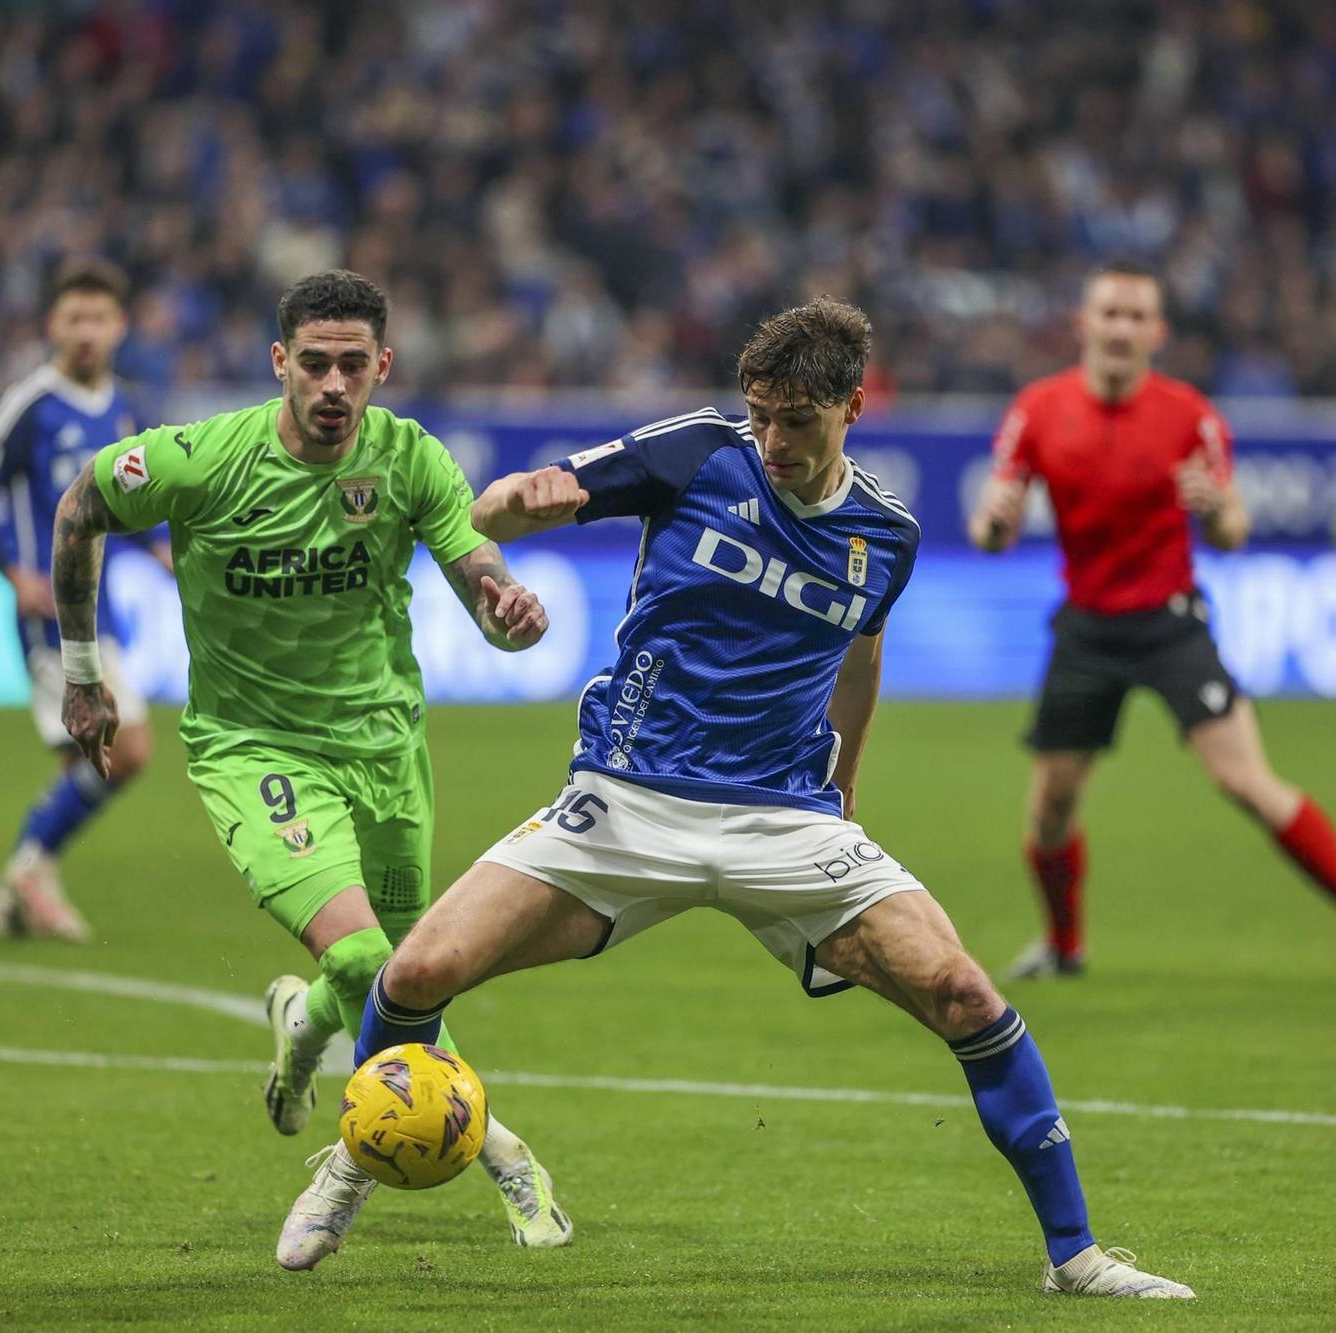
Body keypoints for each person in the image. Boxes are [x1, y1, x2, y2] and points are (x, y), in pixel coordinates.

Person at [330, 297, 1196, 1300]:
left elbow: (860, 657)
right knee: (419, 968)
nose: (773, 439)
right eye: (761, 415)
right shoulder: (701, 452)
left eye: (797, 420)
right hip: (626, 798)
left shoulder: (887, 533)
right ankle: (353, 1162)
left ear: (850, 409)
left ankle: (1076, 1255)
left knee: (963, 991)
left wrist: (847, 779)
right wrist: (521, 503)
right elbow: (533, 496)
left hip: (786, 820)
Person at [50, 269, 572, 1267]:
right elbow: (80, 508)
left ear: (382, 367)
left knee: (405, 976)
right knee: (370, 961)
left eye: (353, 365)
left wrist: (508, 609)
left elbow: (480, 579)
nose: (334, 384)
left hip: (383, 746)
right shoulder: (201, 460)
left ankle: (300, 1025)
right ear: (279, 363)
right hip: (254, 750)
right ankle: (488, 1150)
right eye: (315, 363)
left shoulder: (409, 458)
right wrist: (84, 673)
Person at [967, 260, 1336, 993]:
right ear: (1084, 325)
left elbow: (1235, 530)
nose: (1120, 327)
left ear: (1157, 332)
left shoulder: (1190, 417)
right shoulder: (1038, 409)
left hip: (1171, 622)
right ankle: (1064, 946)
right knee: (1050, 807)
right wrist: (996, 524)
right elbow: (991, 520)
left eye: (1135, 316)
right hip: (1086, 627)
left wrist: (1212, 506)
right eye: (1108, 314)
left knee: (1246, 781)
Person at [0, 258, 167, 942]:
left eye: (99, 318)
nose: (86, 331)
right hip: (53, 617)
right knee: (127, 748)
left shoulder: (123, 406)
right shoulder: (29, 404)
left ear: (119, 327)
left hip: (106, 609)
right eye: (74, 317)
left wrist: (162, 547)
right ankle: (27, 869)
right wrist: (14, 573)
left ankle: (21, 889)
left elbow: (132, 501)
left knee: (83, 762)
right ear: (52, 323)